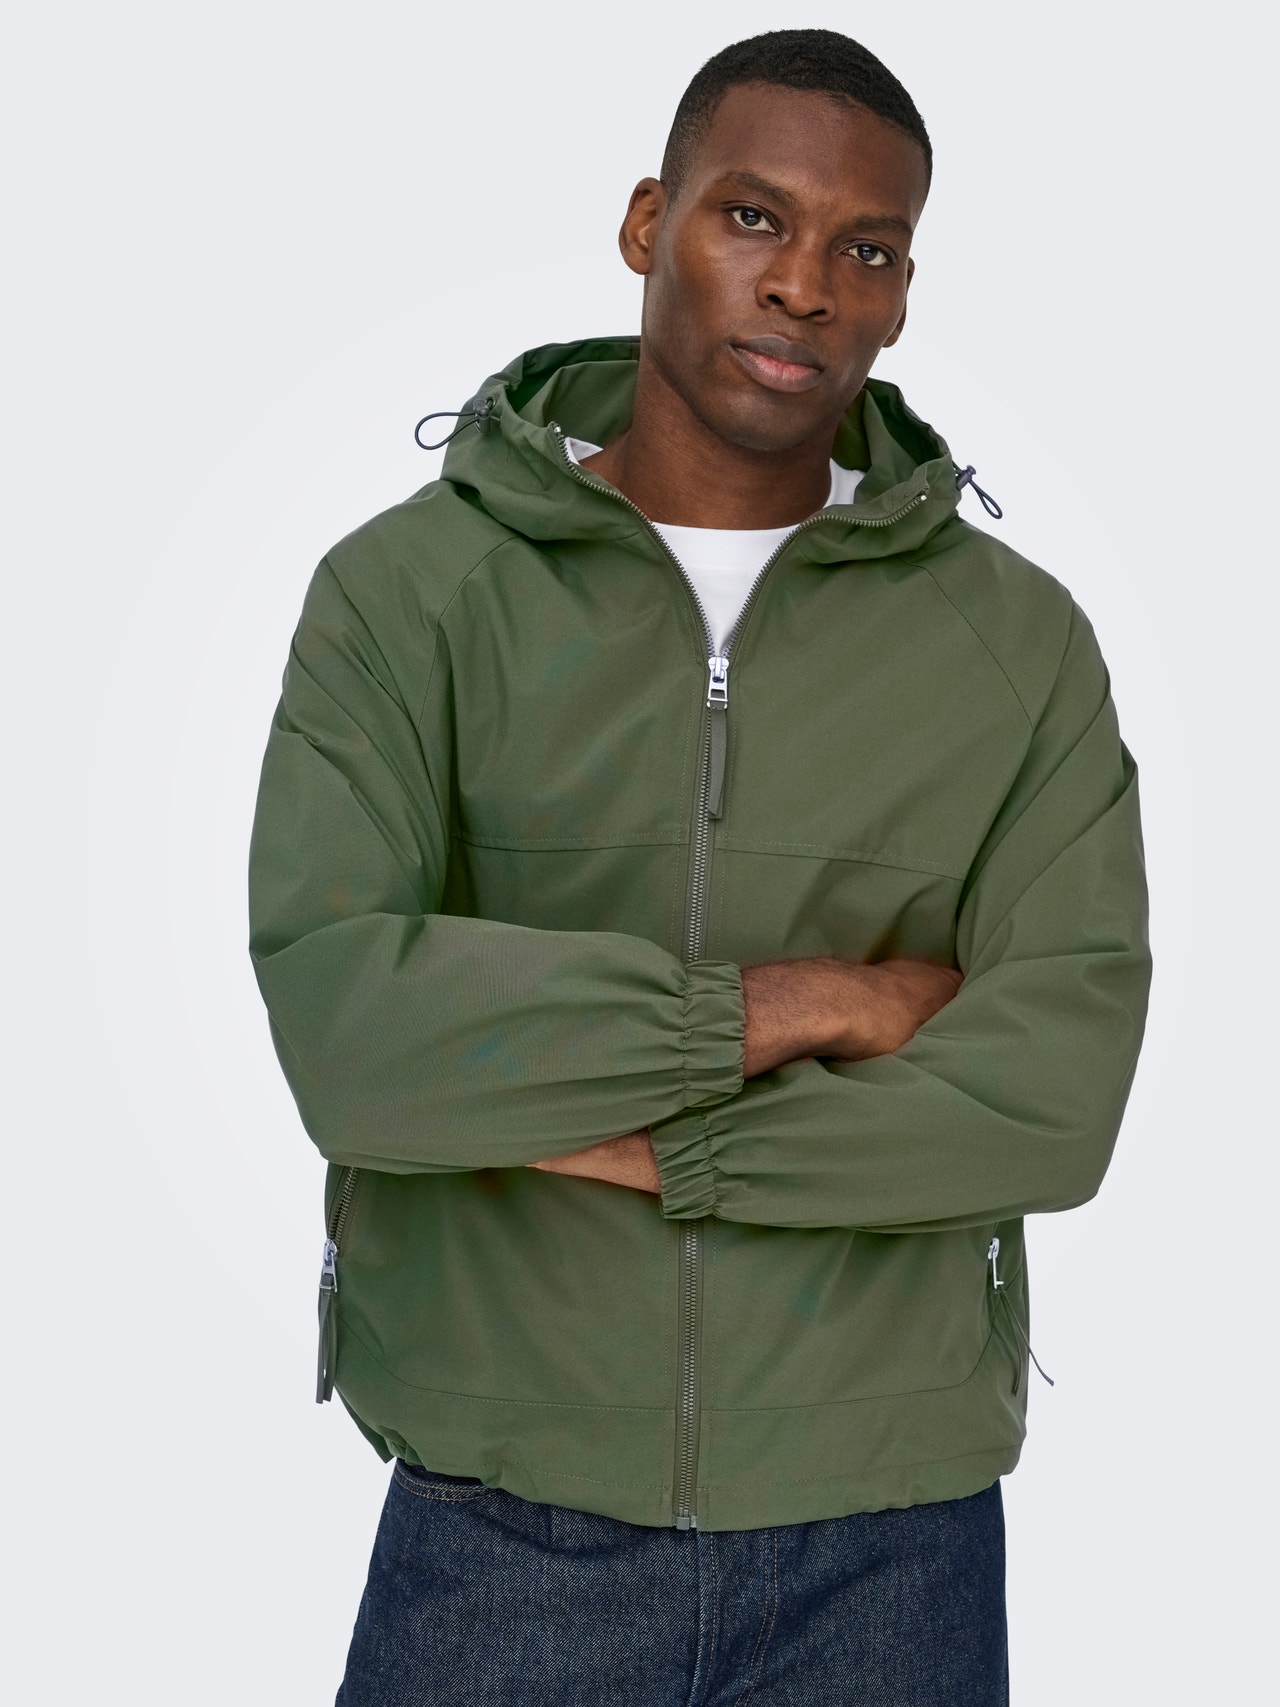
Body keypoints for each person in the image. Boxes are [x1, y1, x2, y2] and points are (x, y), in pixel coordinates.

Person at [248, 27, 1150, 1705]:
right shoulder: (408, 598)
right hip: (501, 1520)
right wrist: (820, 1005)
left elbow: (1053, 1101)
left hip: (893, 1538)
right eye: (753, 218)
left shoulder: (1017, 647)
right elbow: (352, 1034)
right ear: (647, 222)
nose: (805, 285)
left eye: (867, 249)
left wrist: (638, 1148)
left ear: (901, 297)